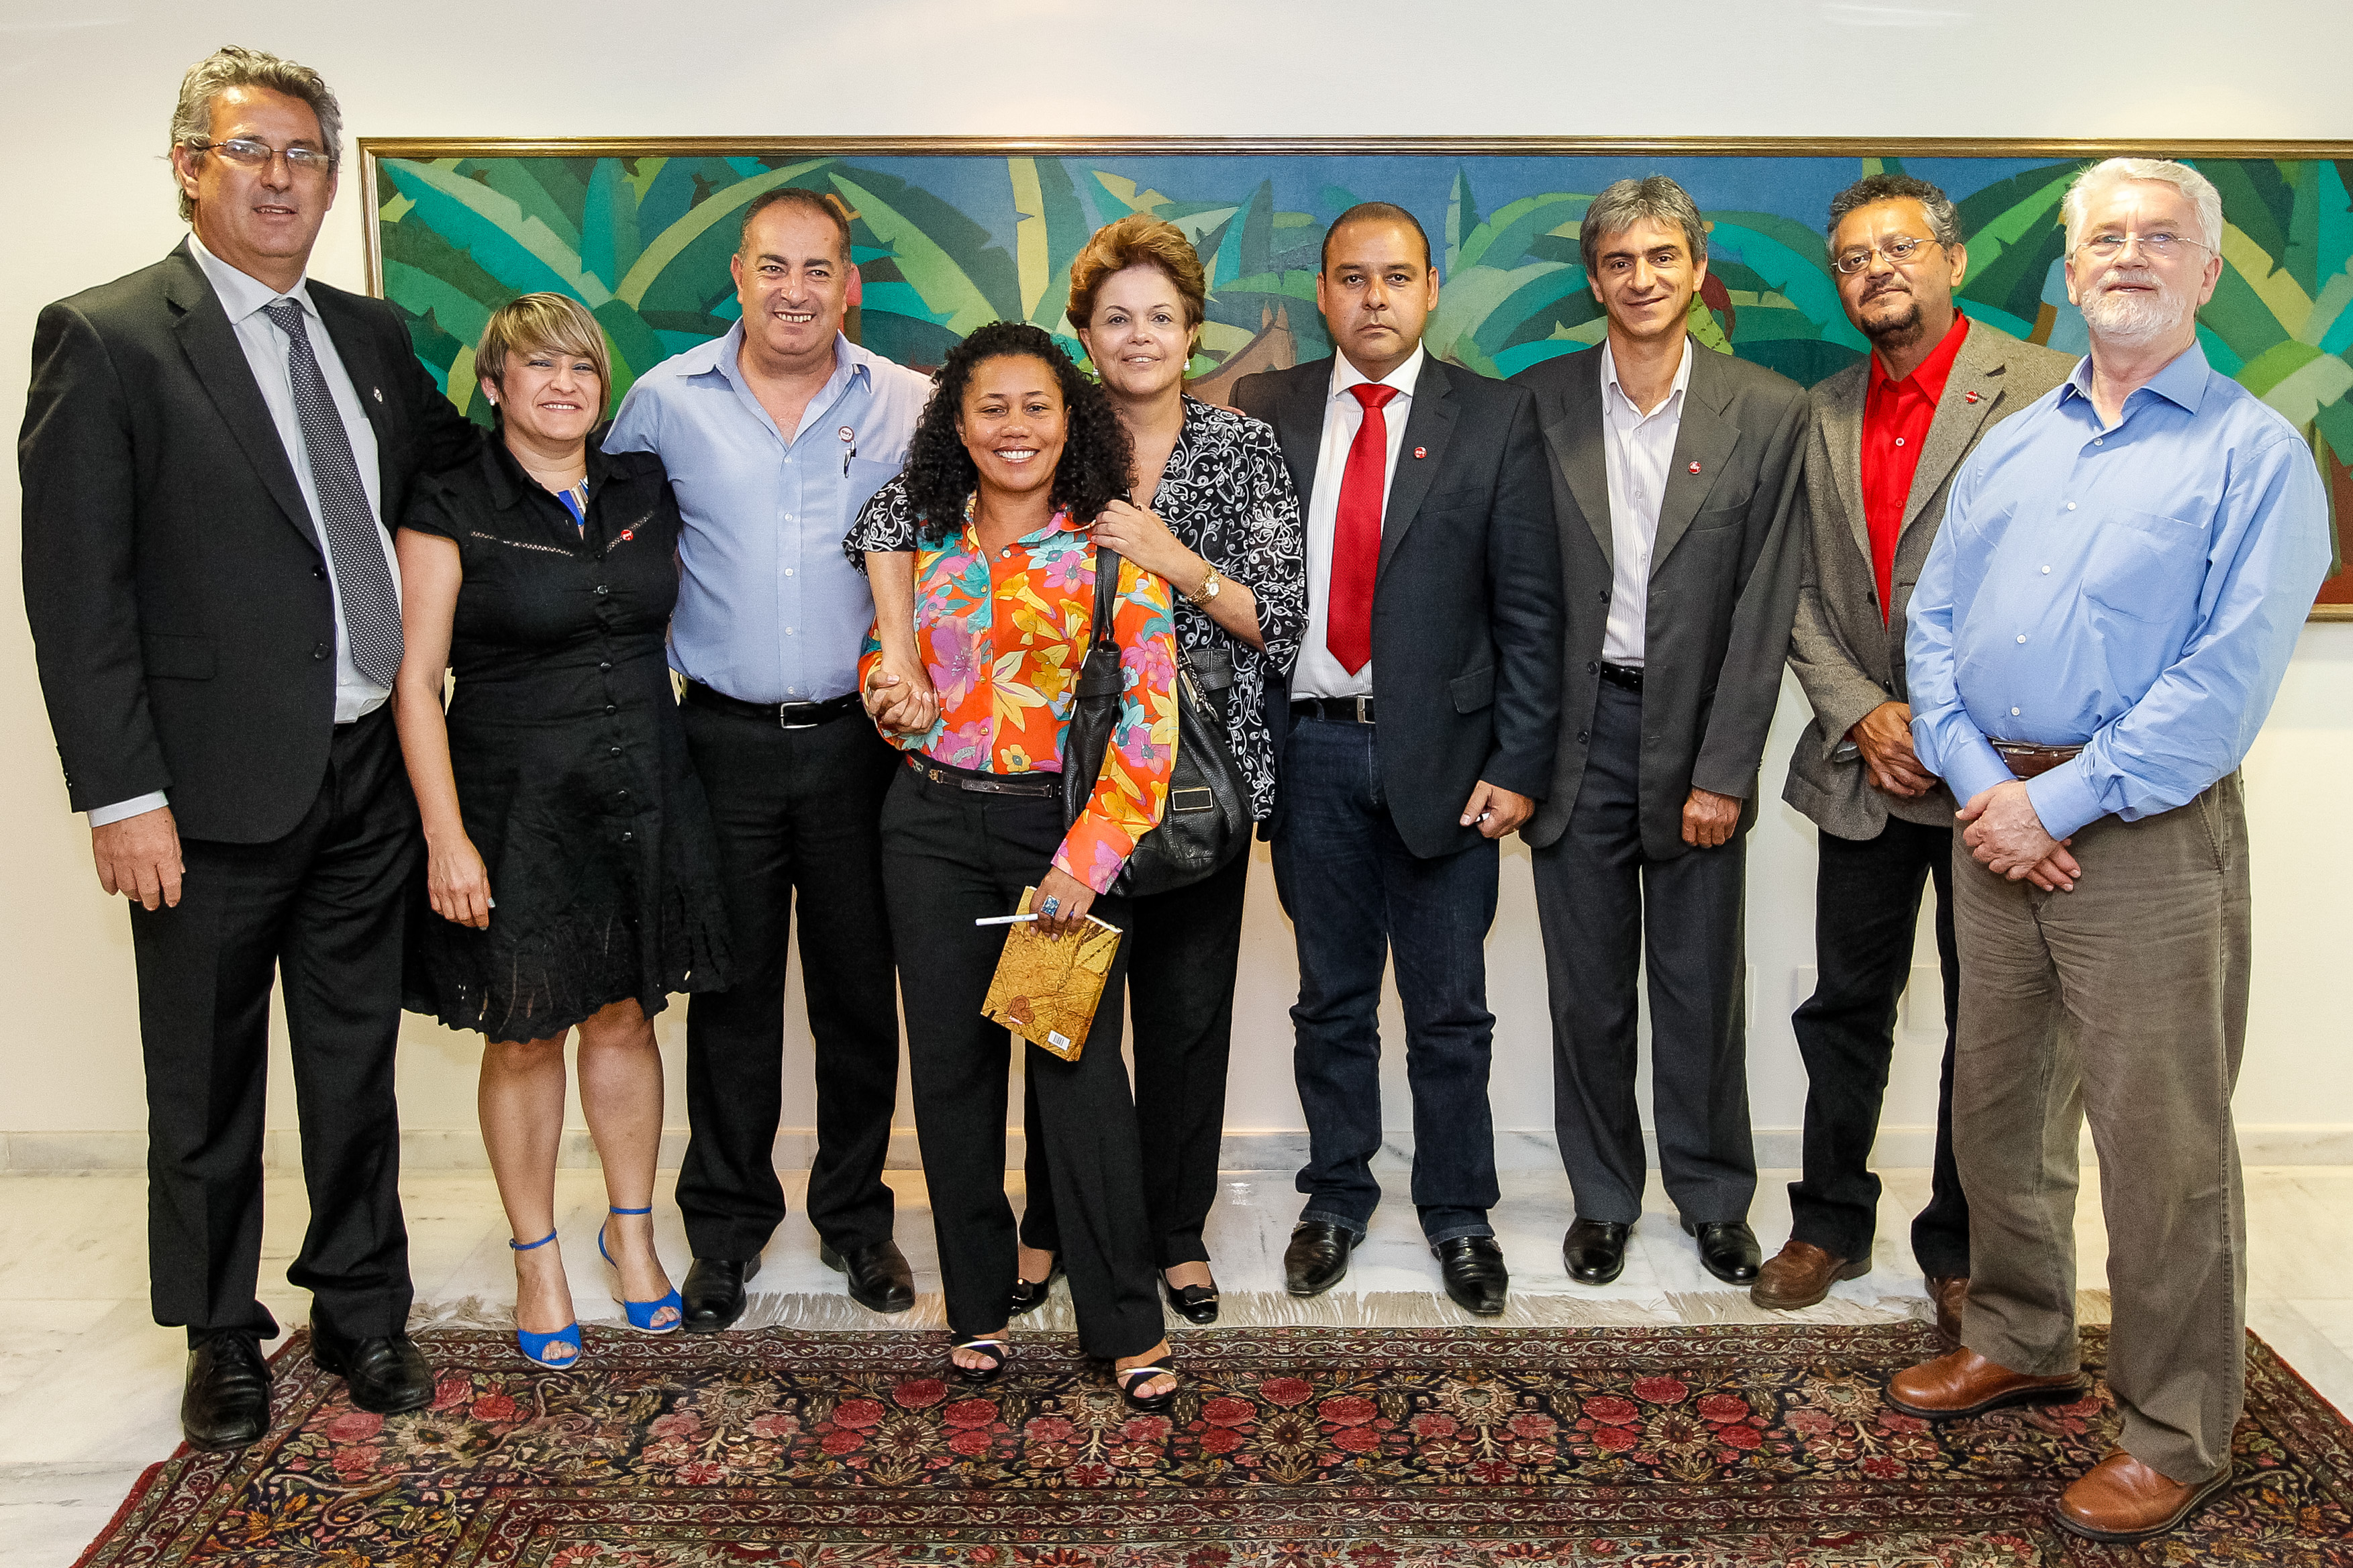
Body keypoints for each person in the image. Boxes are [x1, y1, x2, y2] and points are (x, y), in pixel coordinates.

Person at [18, 46, 478, 1449]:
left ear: (331, 181)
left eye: (304, 155)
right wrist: (121, 794)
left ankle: (360, 1303)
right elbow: (76, 589)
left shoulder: (371, 335)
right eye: (250, 151)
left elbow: (458, 475)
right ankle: (220, 1330)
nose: (281, 179)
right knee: (204, 1079)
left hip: (365, 767)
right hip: (204, 789)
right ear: (189, 167)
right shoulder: (107, 337)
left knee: (353, 1063)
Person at [1891, 158, 2330, 1545]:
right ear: (2068, 272)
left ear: (2206, 272)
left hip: (2139, 835)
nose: (2128, 255)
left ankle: (2175, 1428)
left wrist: (2058, 804)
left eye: (2159, 236)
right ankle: (2020, 1333)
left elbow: (2222, 683)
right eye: (2104, 238)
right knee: (1998, 1107)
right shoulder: (2015, 441)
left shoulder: (2253, 455)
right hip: (1992, 818)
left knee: (2162, 1145)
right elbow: (1932, 623)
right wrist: (1983, 787)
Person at [851, 214, 1305, 1324]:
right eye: (1115, 317)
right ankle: (1045, 1233)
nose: (1139, 335)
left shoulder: (1231, 449)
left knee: (1170, 1024)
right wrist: (895, 656)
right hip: (1029, 798)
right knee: (1049, 1043)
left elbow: (1280, 622)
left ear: (1191, 332)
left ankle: (1170, 1241)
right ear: (1084, 336)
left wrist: (1169, 558)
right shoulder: (1026, 437)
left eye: (1160, 316)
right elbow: (890, 528)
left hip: (1179, 782)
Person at [603, 187, 932, 1330]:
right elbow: (616, 561)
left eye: (818, 269)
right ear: (737, 278)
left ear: (851, 285)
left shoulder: (907, 404)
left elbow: (954, 553)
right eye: (772, 267)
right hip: (718, 743)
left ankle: (856, 1220)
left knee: (859, 996)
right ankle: (726, 1230)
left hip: (863, 746)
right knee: (728, 997)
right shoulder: (663, 403)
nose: (795, 291)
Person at [1232, 203, 1562, 1318]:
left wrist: (1519, 762)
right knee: (1329, 1003)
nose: (1373, 298)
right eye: (1351, 278)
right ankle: (1335, 1196)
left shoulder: (1494, 414)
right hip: (1311, 750)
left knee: (1449, 1012)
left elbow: (1530, 609)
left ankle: (1459, 1212)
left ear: (1429, 289)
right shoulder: (1267, 405)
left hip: (1450, 762)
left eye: (1396, 277)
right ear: (1322, 292)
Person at [393, 293, 732, 1364]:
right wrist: (446, 838)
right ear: (494, 386)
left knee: (626, 1014)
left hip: (642, 788)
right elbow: (415, 682)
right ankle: (535, 1256)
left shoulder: (643, 484)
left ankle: (630, 1234)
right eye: (538, 367)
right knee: (525, 1029)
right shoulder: (450, 499)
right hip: (513, 805)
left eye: (582, 367)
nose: (564, 385)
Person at [1764, 175, 2074, 1337]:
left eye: (1896, 248)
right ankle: (1828, 1221)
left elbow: (2061, 581)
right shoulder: (1821, 412)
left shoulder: (2042, 388)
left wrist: (1947, 726)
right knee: (1845, 1004)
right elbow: (1795, 586)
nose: (1875, 271)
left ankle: (1959, 1243)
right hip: (1868, 771)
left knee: (1990, 1020)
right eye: (1852, 259)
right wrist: (1859, 712)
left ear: (1951, 259)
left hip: (1998, 775)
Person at [854, 320, 1183, 1406]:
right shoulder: (922, 544)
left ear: (1069, 421)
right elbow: (891, 670)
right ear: (957, 424)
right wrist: (888, 694)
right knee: (952, 1078)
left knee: (1073, 1077)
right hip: (931, 830)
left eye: (1036, 406)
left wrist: (1085, 862)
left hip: (1055, 839)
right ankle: (978, 1310)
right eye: (990, 406)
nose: (1014, 426)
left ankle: (1125, 1324)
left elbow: (1149, 722)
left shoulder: (1111, 546)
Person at [1510, 176, 1807, 1291]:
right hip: (1572, 737)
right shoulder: (1533, 402)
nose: (1641, 279)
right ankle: (1601, 1198)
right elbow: (1510, 593)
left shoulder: (1766, 410)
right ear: (1594, 279)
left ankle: (1715, 1197)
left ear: (1697, 268)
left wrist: (1724, 769)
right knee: (1587, 992)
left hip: (1694, 735)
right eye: (1619, 261)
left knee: (1698, 987)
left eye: (1661, 257)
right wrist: (1515, 754)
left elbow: (1765, 606)